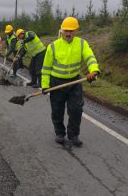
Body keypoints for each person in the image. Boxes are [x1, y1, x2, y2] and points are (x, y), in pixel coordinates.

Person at [41, 17, 100, 147]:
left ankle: (73, 135)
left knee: (76, 109)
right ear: (61, 30)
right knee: (57, 110)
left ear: (76, 31)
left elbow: (90, 58)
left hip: (74, 81)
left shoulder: (82, 43)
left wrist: (94, 71)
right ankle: (60, 133)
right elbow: (46, 68)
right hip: (56, 83)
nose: (68, 34)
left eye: (71, 31)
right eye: (66, 31)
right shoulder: (53, 46)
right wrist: (45, 85)